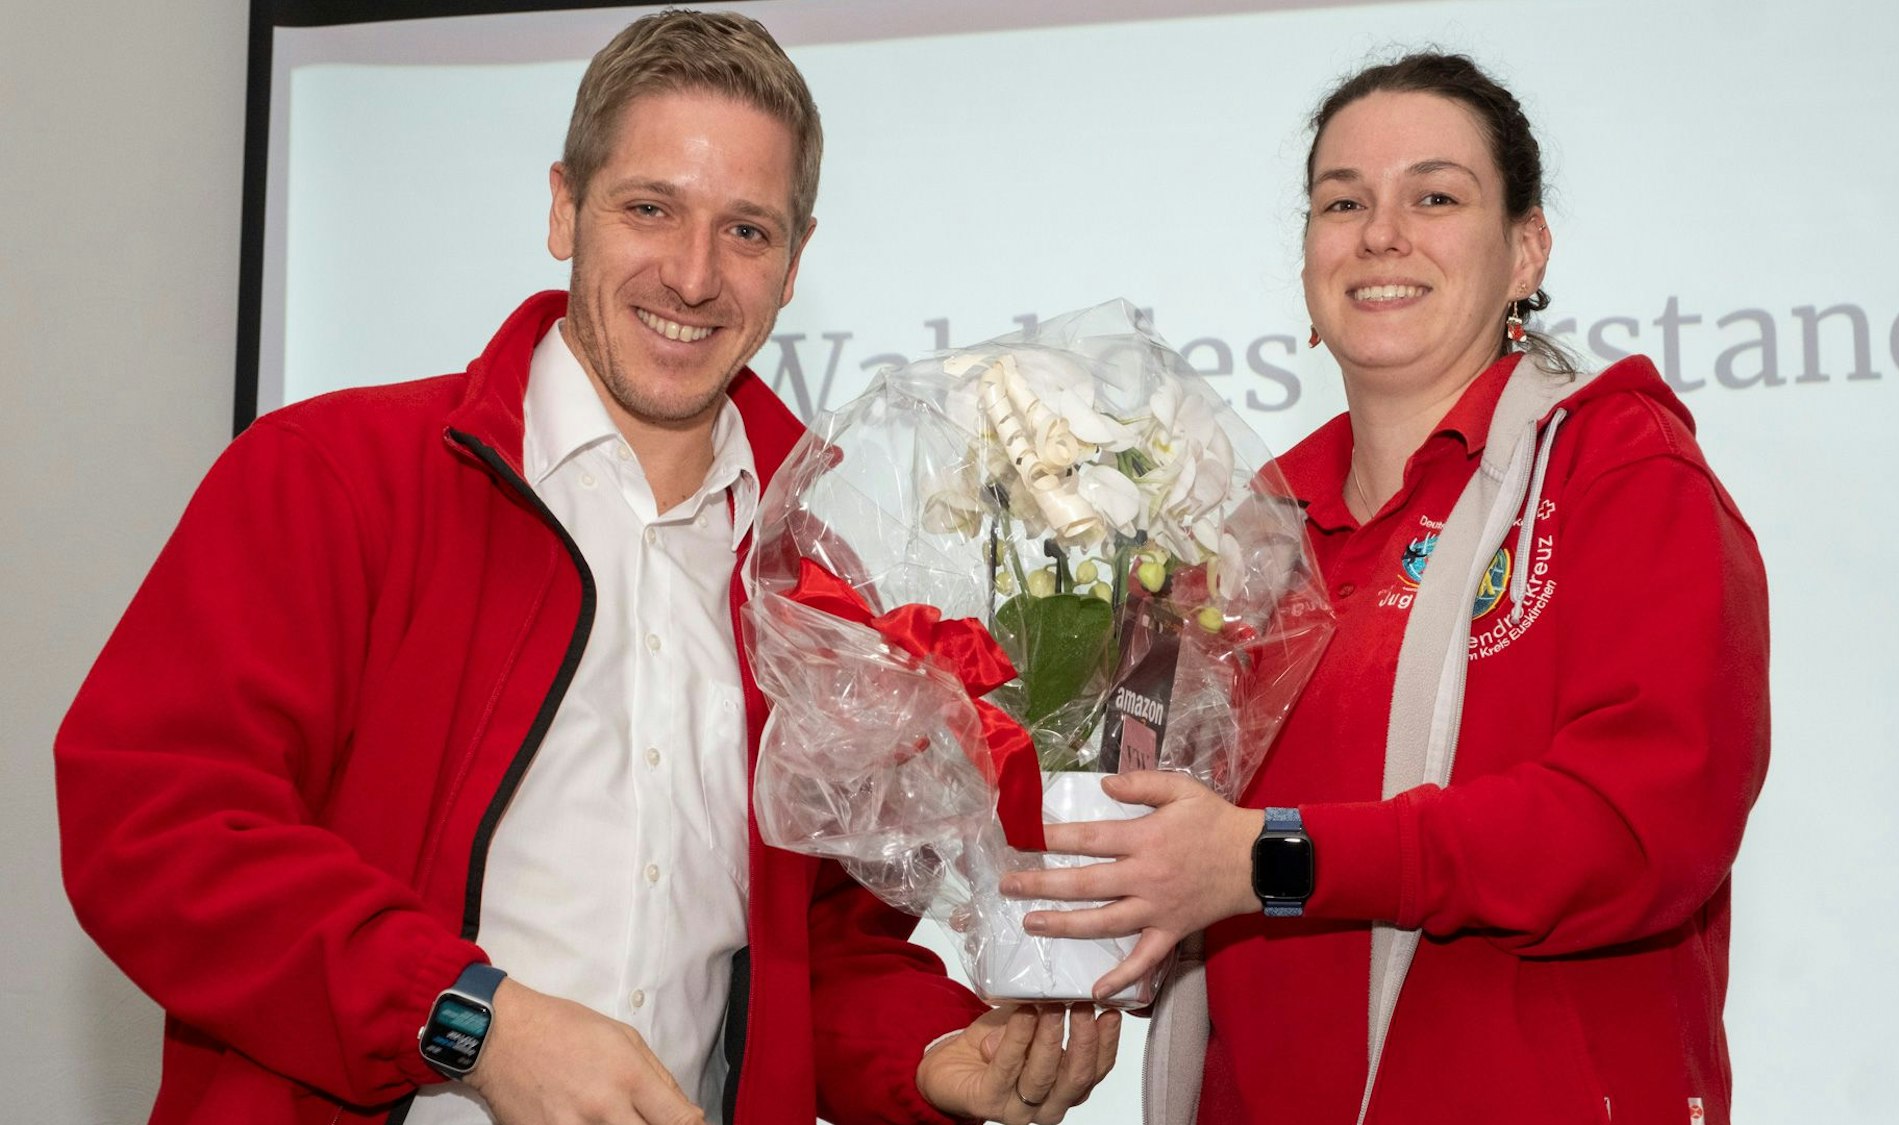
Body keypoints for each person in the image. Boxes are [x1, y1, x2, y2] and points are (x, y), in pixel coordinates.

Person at [55, 11, 1117, 1125]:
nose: (694, 276)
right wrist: (471, 1022)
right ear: (564, 207)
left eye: (746, 231)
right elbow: (156, 829)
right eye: (650, 208)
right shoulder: (328, 477)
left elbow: (808, 953)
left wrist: (927, 1056)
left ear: (796, 261)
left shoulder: (814, 587)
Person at [1004, 53, 1769, 1124]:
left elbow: (1644, 827)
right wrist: (1037, 940)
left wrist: (1275, 858)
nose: (1379, 233)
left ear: (1525, 251)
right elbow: (1140, 818)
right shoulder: (1229, 536)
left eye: (1435, 197)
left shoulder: (1620, 471)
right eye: (1343, 202)